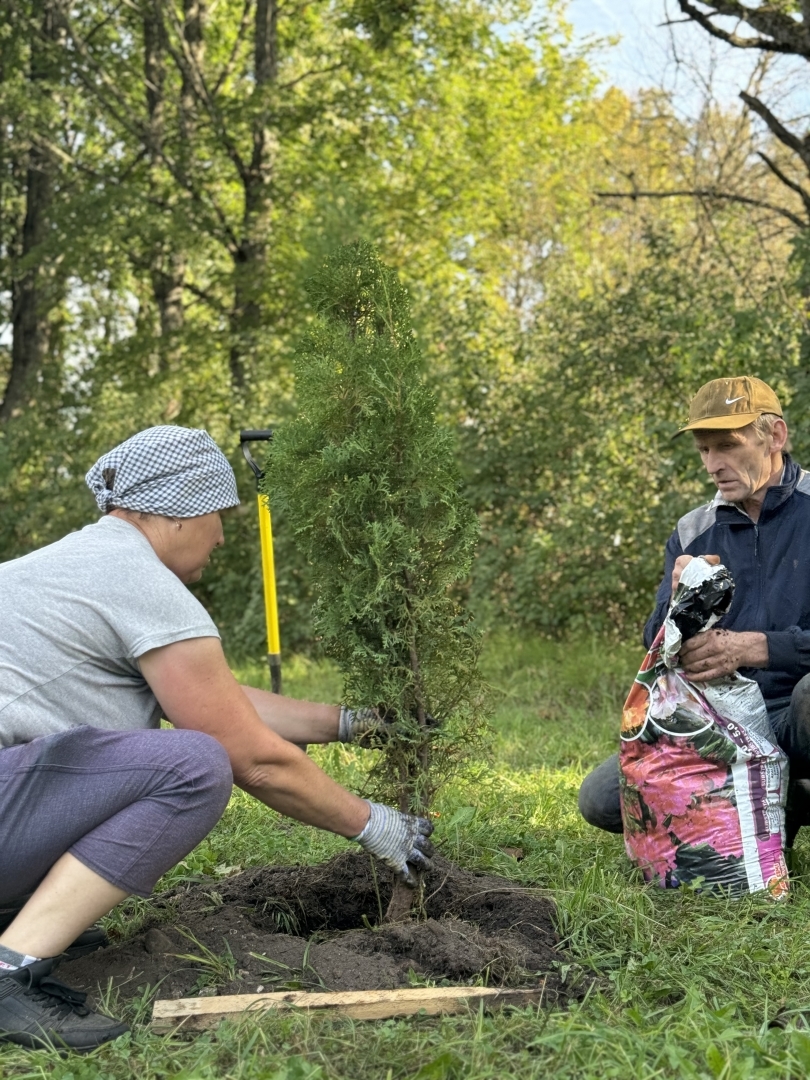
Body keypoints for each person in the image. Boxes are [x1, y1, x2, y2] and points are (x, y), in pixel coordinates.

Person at [0, 425, 434, 1052]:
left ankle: (17, 918)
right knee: (196, 766)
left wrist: (348, 722)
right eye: (218, 515)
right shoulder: (138, 579)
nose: (224, 536)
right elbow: (247, 755)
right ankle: (10, 970)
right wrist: (376, 825)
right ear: (178, 511)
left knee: (176, 751)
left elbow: (218, 700)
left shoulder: (81, 562)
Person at [579, 376, 810, 841]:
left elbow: (758, 650)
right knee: (602, 798)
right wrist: (680, 611)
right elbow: (655, 645)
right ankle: (779, 799)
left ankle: (759, 797)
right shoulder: (693, 531)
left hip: (795, 712)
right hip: (721, 719)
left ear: (775, 437)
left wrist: (757, 648)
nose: (713, 464)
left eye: (727, 445)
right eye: (704, 450)